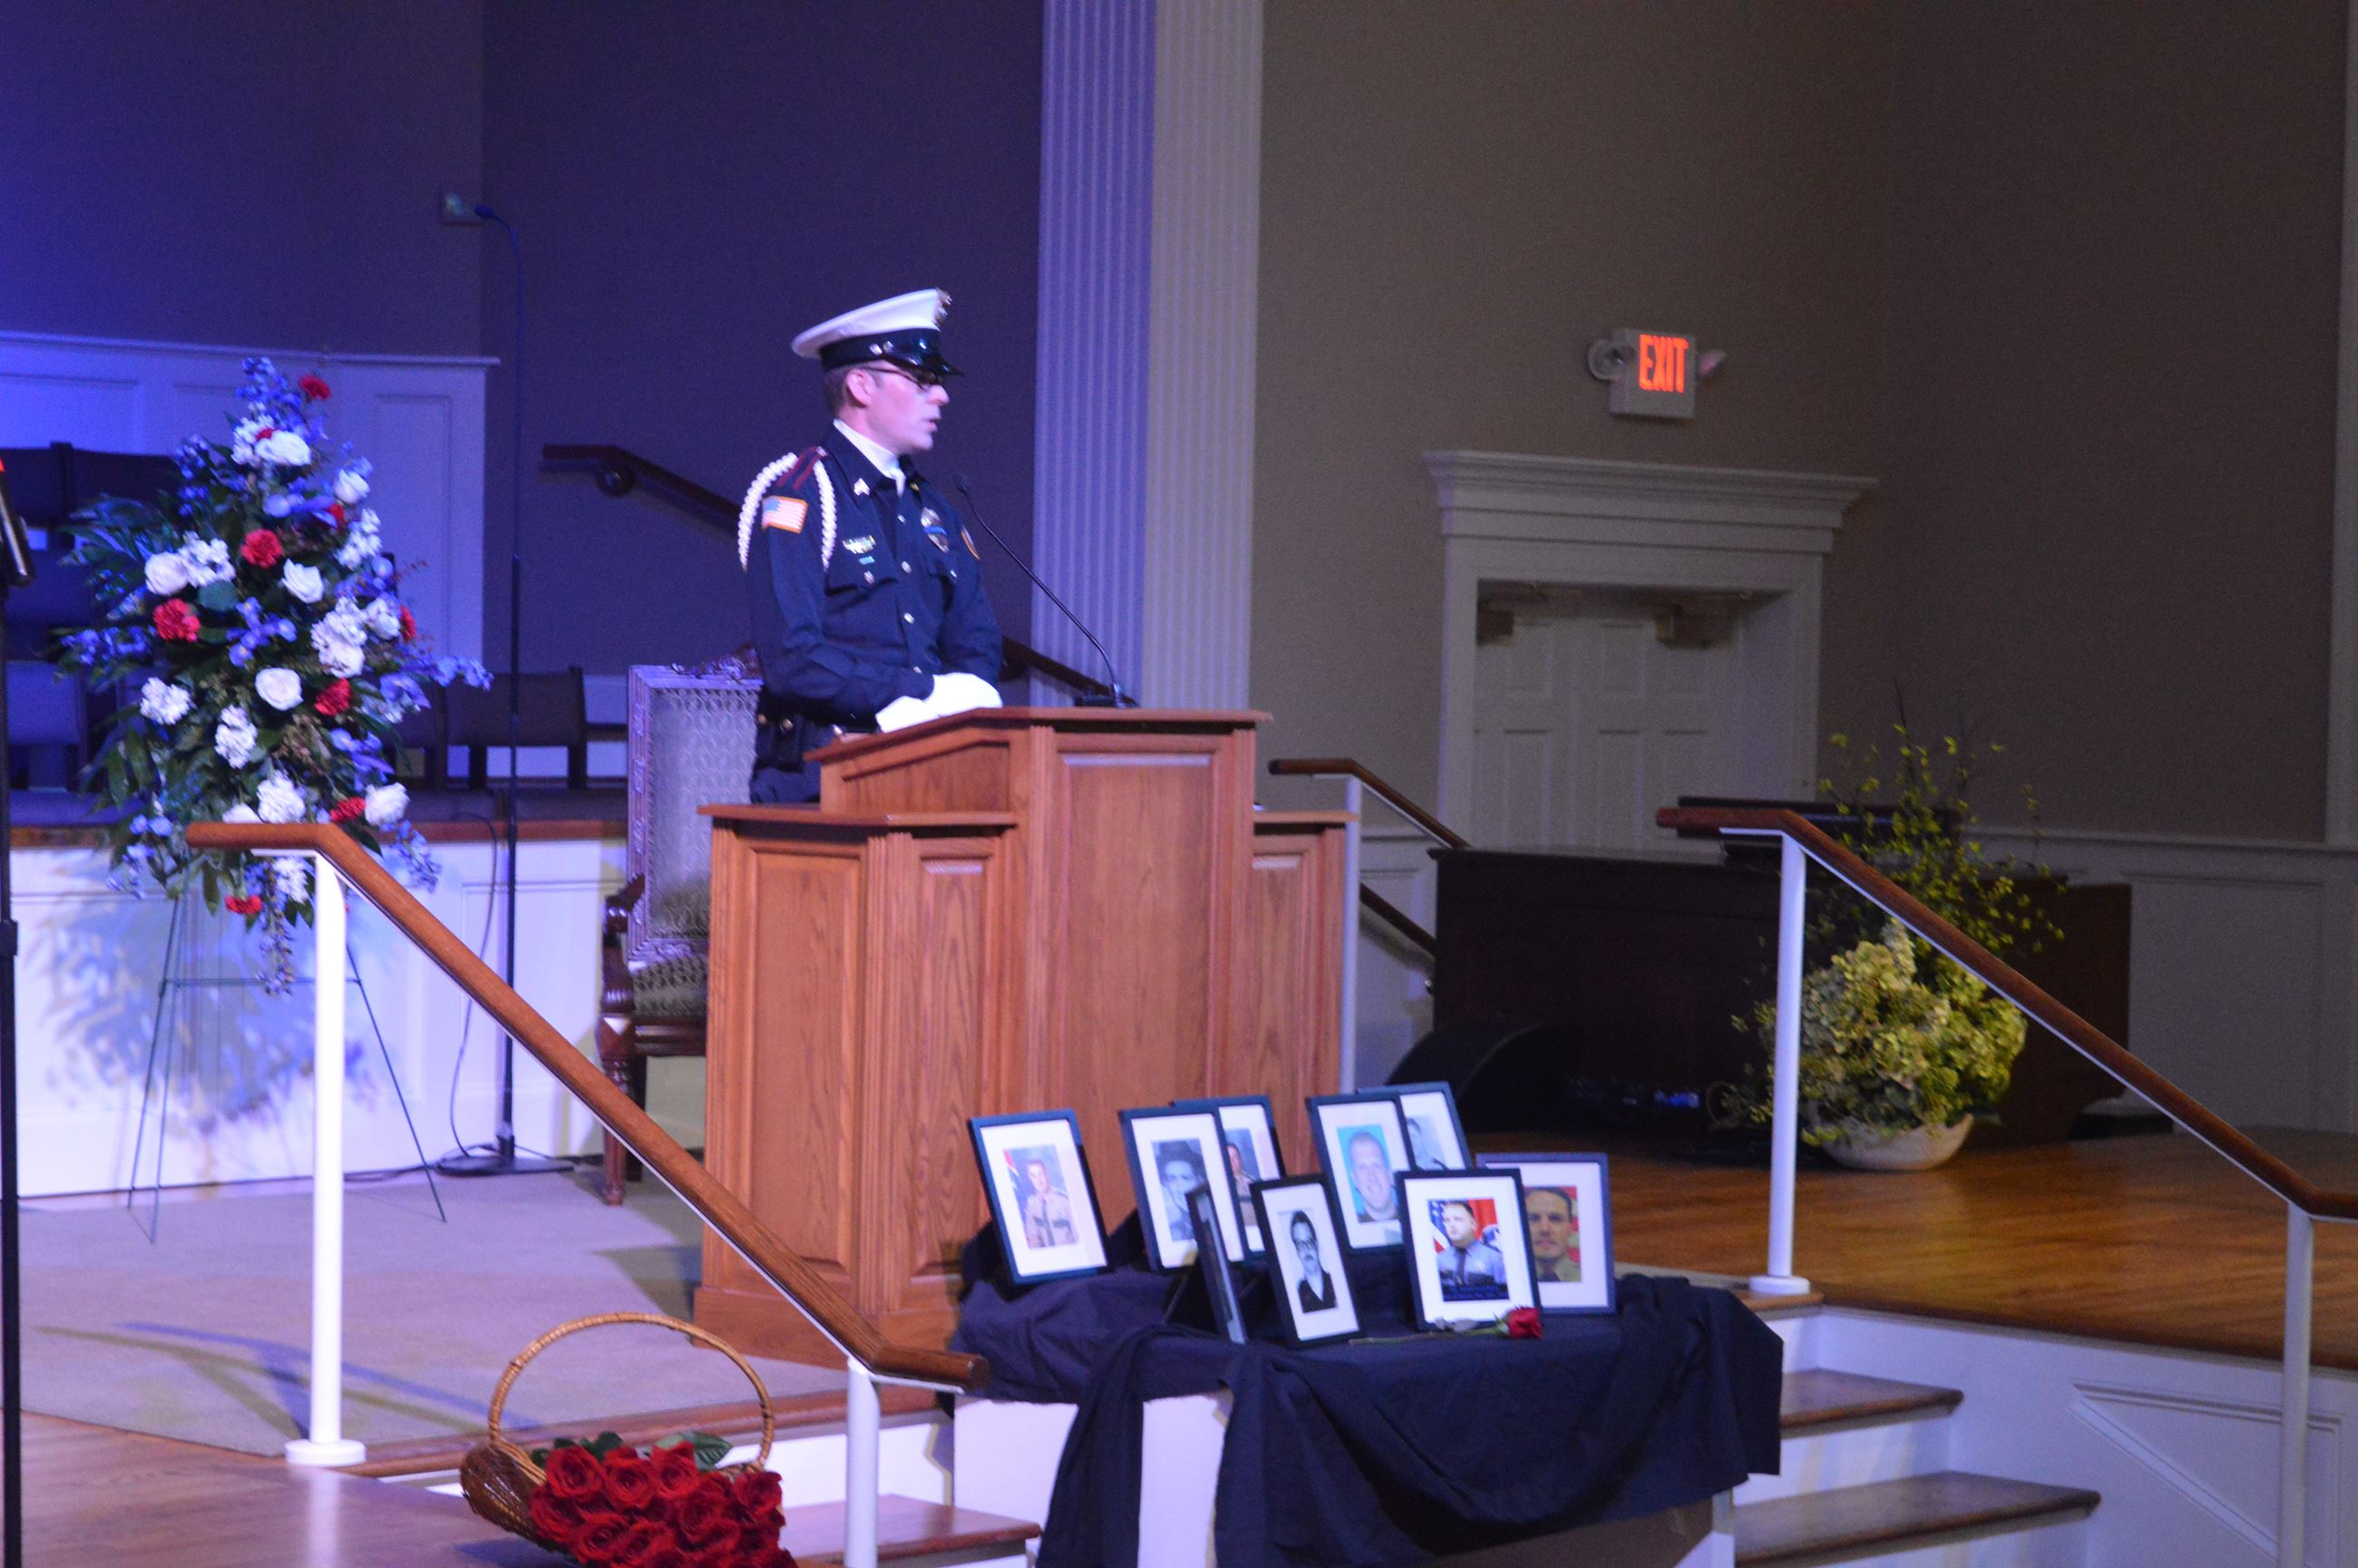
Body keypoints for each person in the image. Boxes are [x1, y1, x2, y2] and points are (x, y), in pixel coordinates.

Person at [739, 288, 1004, 803]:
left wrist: (954, 712)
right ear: (861, 385)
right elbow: (793, 659)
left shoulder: (934, 509)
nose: (941, 396)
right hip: (824, 782)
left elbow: (976, 646)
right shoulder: (801, 494)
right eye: (923, 380)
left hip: (935, 773)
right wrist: (923, 693)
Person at [1433, 1200, 1506, 1300]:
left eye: (1457, 1219)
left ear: (1473, 1224)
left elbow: (1504, 1297)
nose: (1452, 1225)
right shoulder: (1440, 1260)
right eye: (1447, 1220)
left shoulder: (1494, 1258)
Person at [1525, 1185, 1582, 1283]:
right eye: (1533, 1219)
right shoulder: (1506, 1279)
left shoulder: (1592, 1279)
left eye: (1555, 1219)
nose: (1545, 1229)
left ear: (1570, 1228)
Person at [1019, 1154, 1076, 1249]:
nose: (1038, 1180)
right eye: (1033, 1176)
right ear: (1029, 1177)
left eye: (1040, 1174)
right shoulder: (1032, 1204)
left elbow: (1079, 1235)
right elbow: (1033, 1238)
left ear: (1047, 1174)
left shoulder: (1065, 1201)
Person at [1345, 1129, 1398, 1227]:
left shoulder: (1416, 1217)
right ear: (1354, 1179)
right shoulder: (1345, 1229)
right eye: (1362, 1168)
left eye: (1377, 1165)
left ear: (1390, 1174)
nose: (1372, 1177)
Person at [1157, 1144, 1207, 1243]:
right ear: (1165, 1184)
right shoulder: (1170, 1230)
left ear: (1199, 1180)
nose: (1180, 1188)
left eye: (1186, 1178)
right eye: (1172, 1179)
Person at [1290, 1211, 1337, 1313]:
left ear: (1316, 1244)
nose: (1306, 1250)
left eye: (1309, 1242)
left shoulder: (1337, 1282)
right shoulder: (1296, 1296)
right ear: (1297, 1251)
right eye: (1300, 1244)